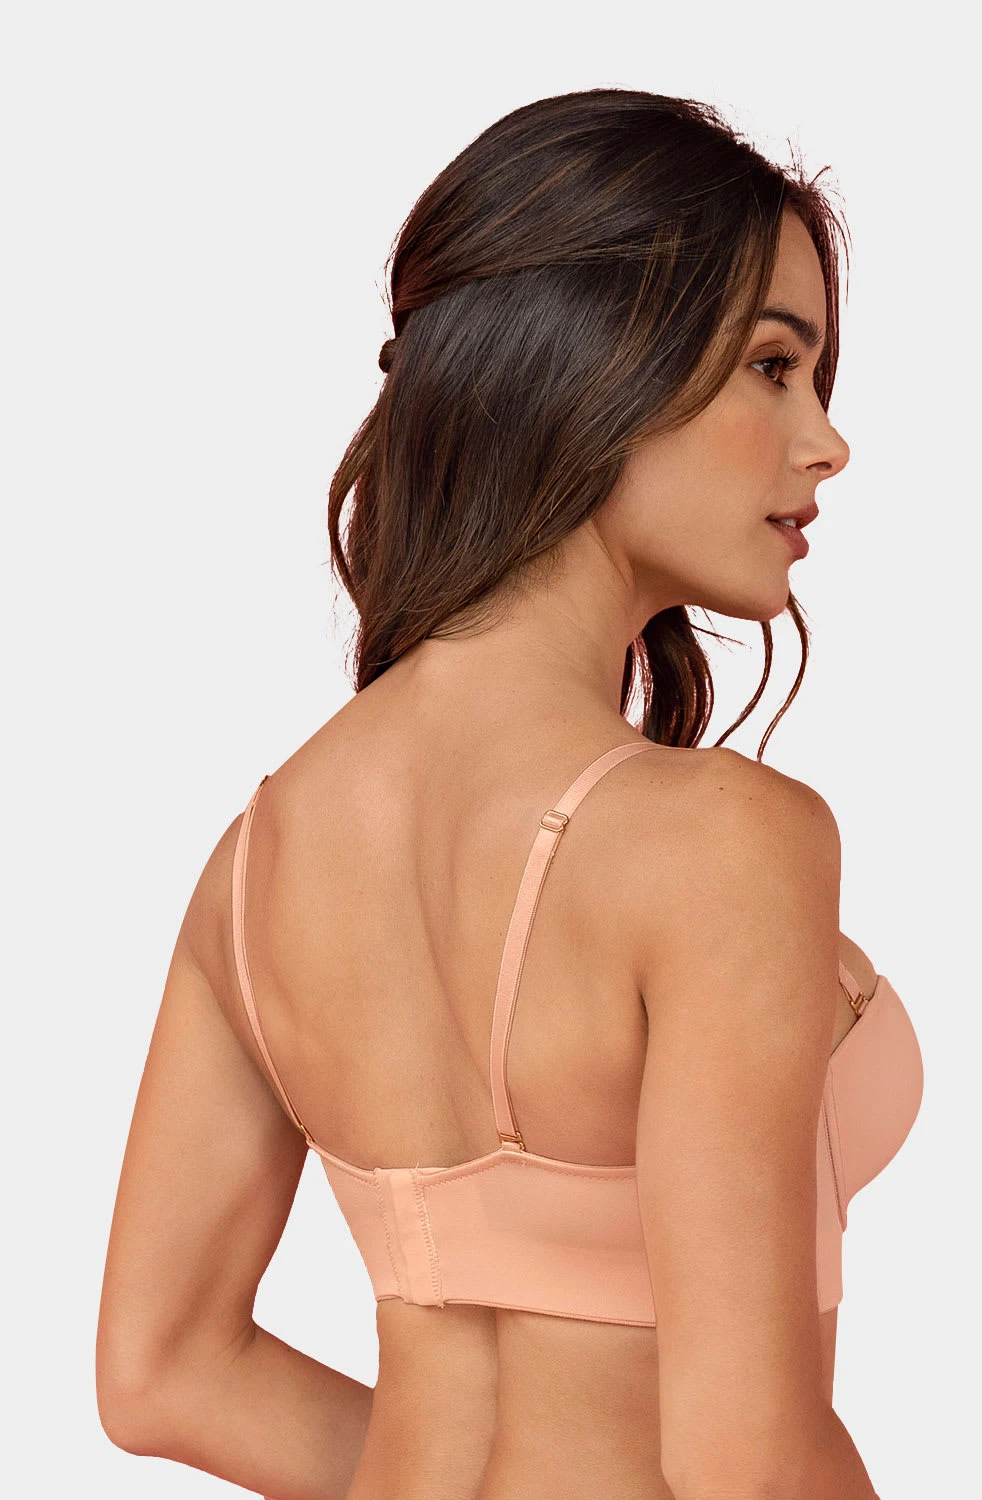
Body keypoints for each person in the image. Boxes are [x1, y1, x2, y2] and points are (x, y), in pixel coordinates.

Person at [96, 87, 922, 1500]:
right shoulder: (720, 842)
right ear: (595, 363)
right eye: (773, 366)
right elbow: (747, 1461)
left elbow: (161, 1372)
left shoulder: (255, 865)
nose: (826, 442)